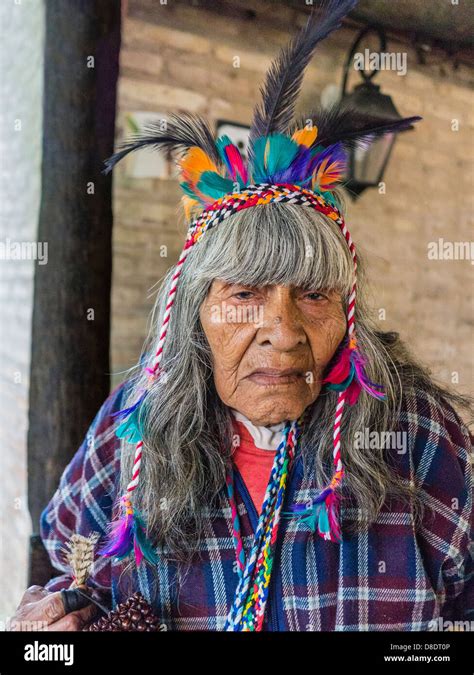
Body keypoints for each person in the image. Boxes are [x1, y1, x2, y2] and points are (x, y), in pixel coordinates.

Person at [13, 1, 472, 631]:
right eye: (244, 295)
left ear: (348, 311)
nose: (282, 333)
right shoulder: (130, 435)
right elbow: (69, 572)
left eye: (313, 295)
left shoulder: (417, 438)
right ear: (193, 314)